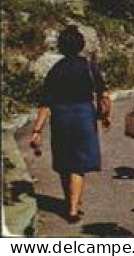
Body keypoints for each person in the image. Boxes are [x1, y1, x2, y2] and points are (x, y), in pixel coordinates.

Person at [29, 26, 110, 223]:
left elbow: (45, 104)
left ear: (61, 47)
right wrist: (106, 115)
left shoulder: (55, 70)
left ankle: (69, 202)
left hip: (61, 117)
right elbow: (103, 95)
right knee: (78, 164)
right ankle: (73, 208)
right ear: (81, 45)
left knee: (65, 162)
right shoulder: (90, 67)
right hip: (83, 115)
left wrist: (37, 130)